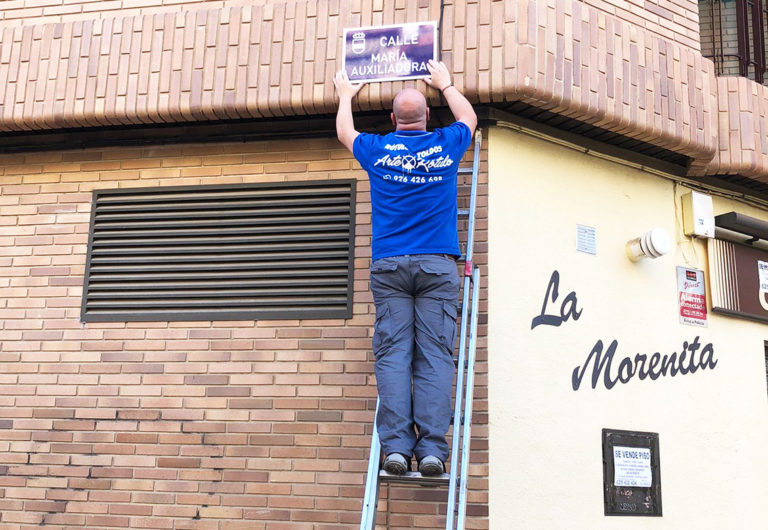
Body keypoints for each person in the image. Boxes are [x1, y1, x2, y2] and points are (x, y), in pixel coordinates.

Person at [334, 60, 477, 476]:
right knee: (434, 357)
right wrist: (446, 85)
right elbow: (468, 117)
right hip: (437, 266)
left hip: (390, 266)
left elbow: (345, 131)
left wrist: (346, 97)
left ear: (394, 119)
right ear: (428, 116)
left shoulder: (378, 150)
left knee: (394, 357)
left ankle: (396, 449)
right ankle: (432, 451)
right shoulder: (445, 145)